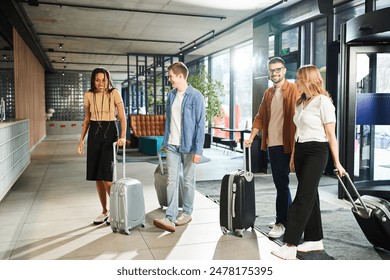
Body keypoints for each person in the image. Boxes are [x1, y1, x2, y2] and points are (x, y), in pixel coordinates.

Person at [271, 65, 346, 260]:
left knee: (303, 195)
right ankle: (314, 239)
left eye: (299, 78)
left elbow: (331, 135)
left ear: (308, 80)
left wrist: (337, 162)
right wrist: (294, 156)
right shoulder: (300, 101)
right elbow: (298, 131)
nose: (296, 82)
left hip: (317, 151)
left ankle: (290, 244)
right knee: (311, 194)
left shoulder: (324, 102)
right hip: (302, 150)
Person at [244, 57, 300, 238]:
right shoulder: (268, 93)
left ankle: (281, 222)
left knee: (282, 184)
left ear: (284, 70)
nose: (275, 73)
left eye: (278, 70)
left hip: (289, 144)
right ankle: (287, 217)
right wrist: (252, 138)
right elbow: (259, 117)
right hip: (273, 144)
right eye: (272, 70)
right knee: (280, 184)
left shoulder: (294, 90)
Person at [153, 62, 205, 233]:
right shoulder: (171, 96)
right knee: (171, 181)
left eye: (171, 76)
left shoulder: (196, 96)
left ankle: (187, 212)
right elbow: (169, 120)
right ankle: (170, 217)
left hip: (189, 146)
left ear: (181, 76)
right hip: (172, 146)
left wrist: (198, 150)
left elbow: (200, 125)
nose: (170, 80)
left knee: (189, 181)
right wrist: (165, 142)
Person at [77, 67, 127, 225]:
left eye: (103, 80)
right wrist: (81, 140)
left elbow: (122, 117)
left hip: (110, 132)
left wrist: (123, 136)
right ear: (93, 80)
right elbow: (86, 120)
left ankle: (118, 209)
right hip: (94, 134)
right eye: (97, 80)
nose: (100, 83)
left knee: (106, 177)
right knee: (97, 177)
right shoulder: (88, 95)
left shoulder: (114, 93)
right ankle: (105, 211)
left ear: (108, 80)